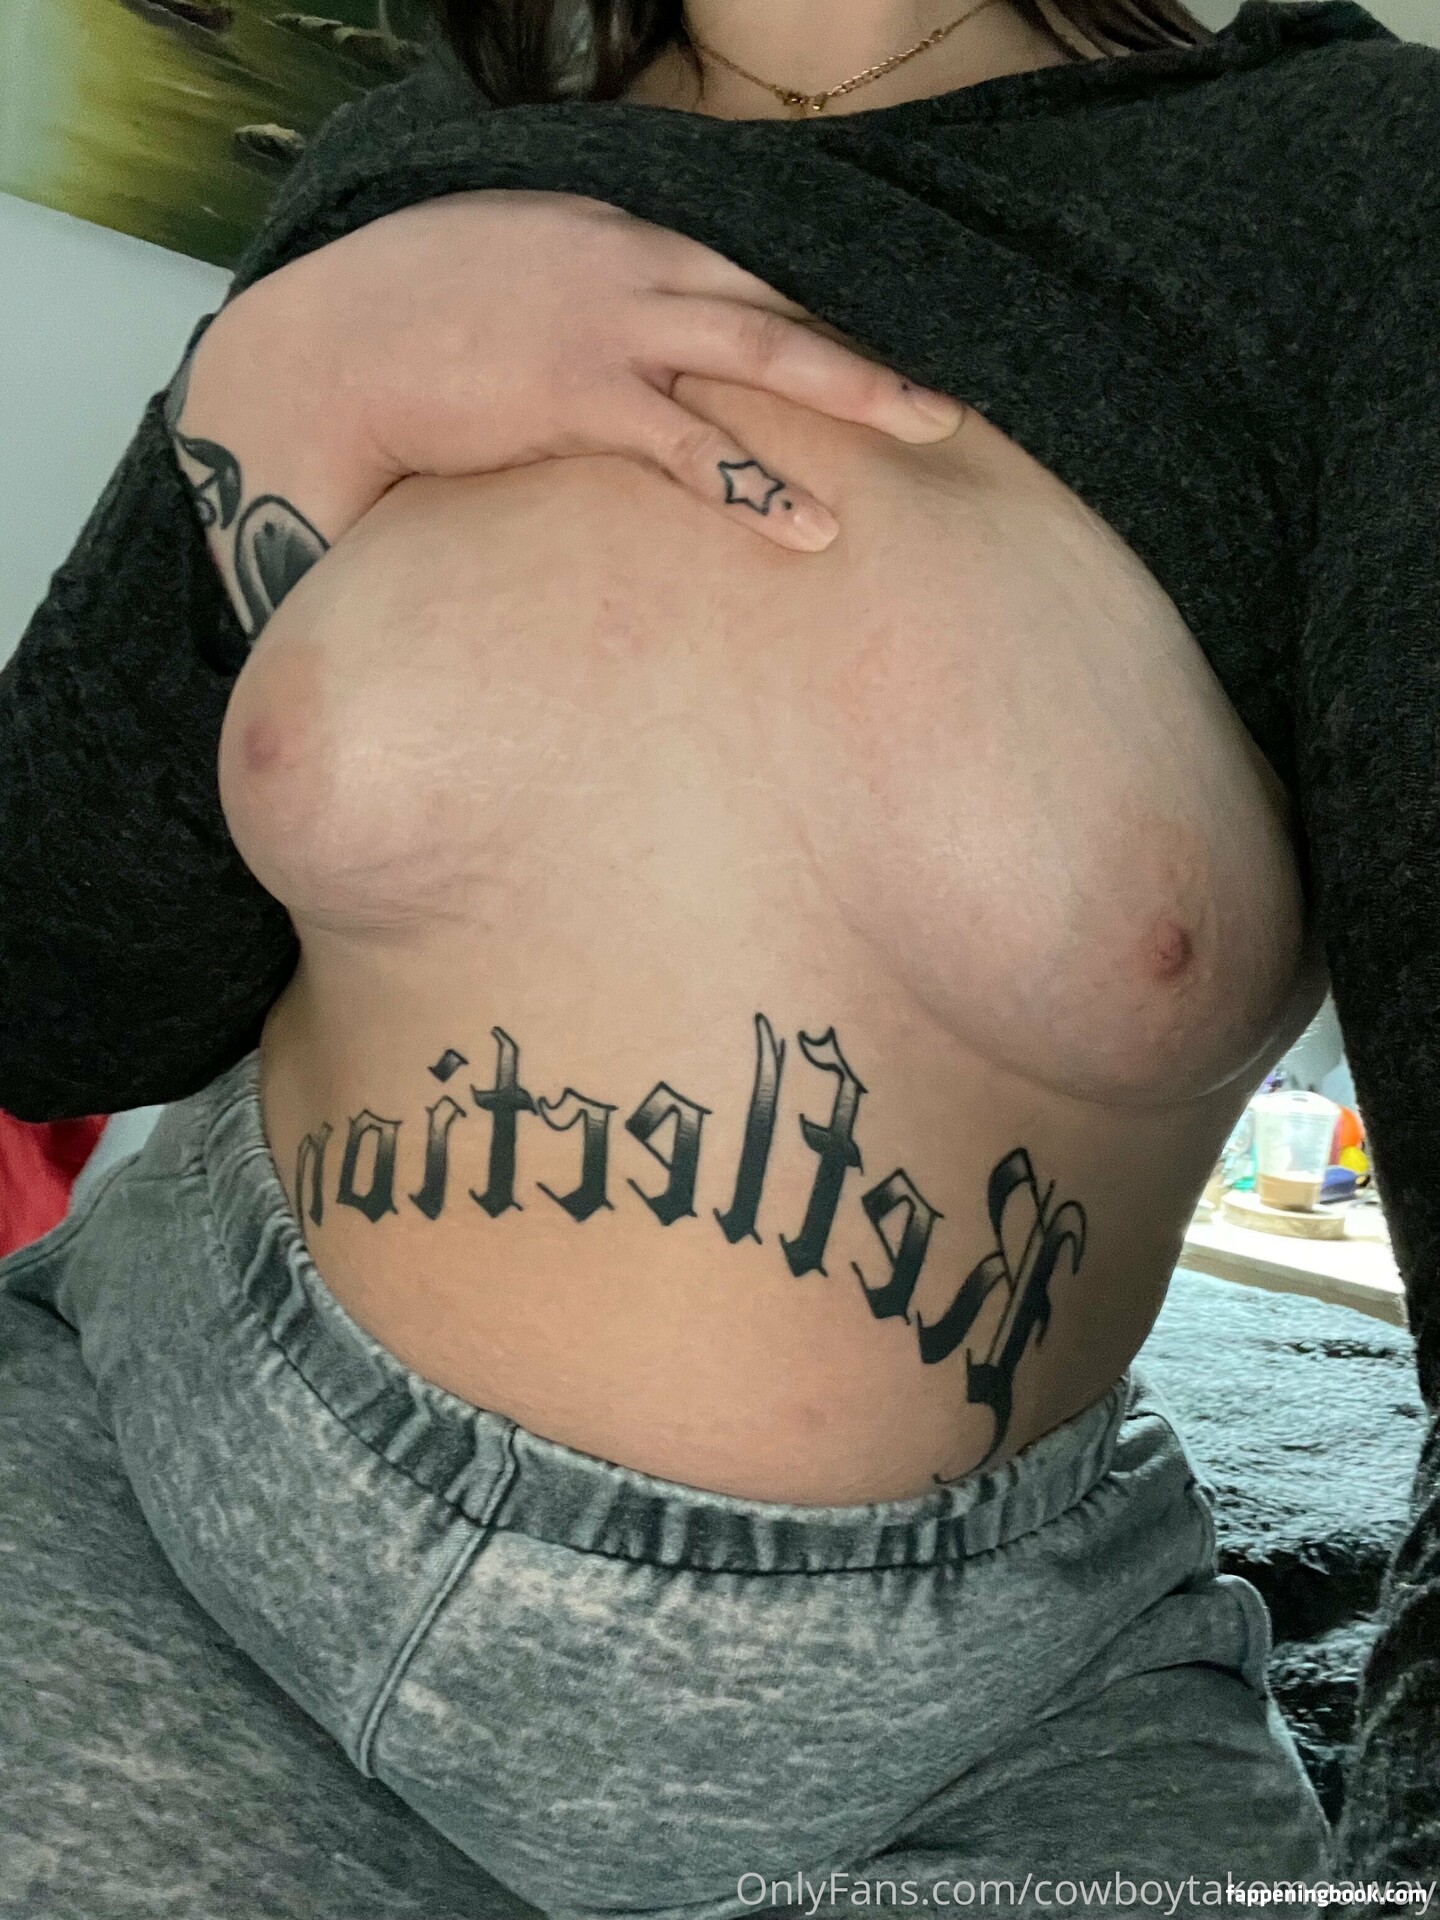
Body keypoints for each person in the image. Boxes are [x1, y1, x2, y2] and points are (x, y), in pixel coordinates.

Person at [2, 0, 1436, 1907]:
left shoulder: (1367, 193)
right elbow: (54, 996)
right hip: (141, 1483)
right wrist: (267, 394)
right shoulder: (401, 158)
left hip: (961, 1758)